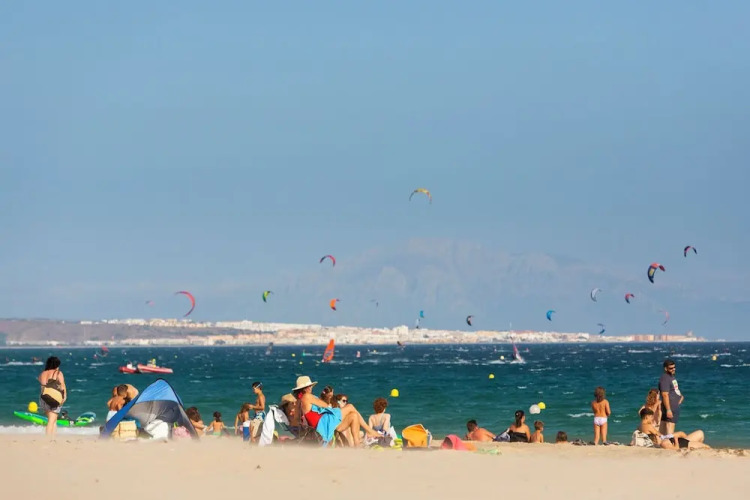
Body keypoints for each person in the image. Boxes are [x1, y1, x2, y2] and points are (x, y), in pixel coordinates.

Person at [294, 376, 380, 446]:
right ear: (304, 388)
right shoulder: (307, 396)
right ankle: (369, 431)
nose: (311, 387)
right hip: (323, 423)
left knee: (353, 416)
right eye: (309, 386)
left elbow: (297, 419)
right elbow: (325, 405)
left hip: (324, 424)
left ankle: (357, 445)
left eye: (311, 386)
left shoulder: (299, 400)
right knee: (350, 406)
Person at [637, 408, 709, 450]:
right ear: (646, 417)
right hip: (670, 442)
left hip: (670, 441)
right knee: (700, 435)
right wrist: (672, 436)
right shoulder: (648, 426)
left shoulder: (639, 427)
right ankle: (691, 445)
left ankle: (691, 444)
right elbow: (660, 436)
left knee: (695, 434)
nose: (652, 419)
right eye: (651, 417)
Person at [38, 356, 66, 436]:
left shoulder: (42, 373)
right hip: (54, 398)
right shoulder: (58, 373)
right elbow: (62, 386)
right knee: (51, 420)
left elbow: (42, 383)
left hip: (44, 398)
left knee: (53, 420)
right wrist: (64, 397)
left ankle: (53, 437)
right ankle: (48, 438)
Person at [659, 359, 683, 436]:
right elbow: (664, 394)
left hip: (673, 406)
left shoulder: (671, 377)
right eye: (671, 368)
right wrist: (668, 409)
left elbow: (674, 389)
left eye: (674, 367)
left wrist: (680, 396)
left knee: (665, 427)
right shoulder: (665, 378)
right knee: (669, 427)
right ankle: (668, 442)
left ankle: (662, 441)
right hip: (670, 407)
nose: (673, 369)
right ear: (665, 368)